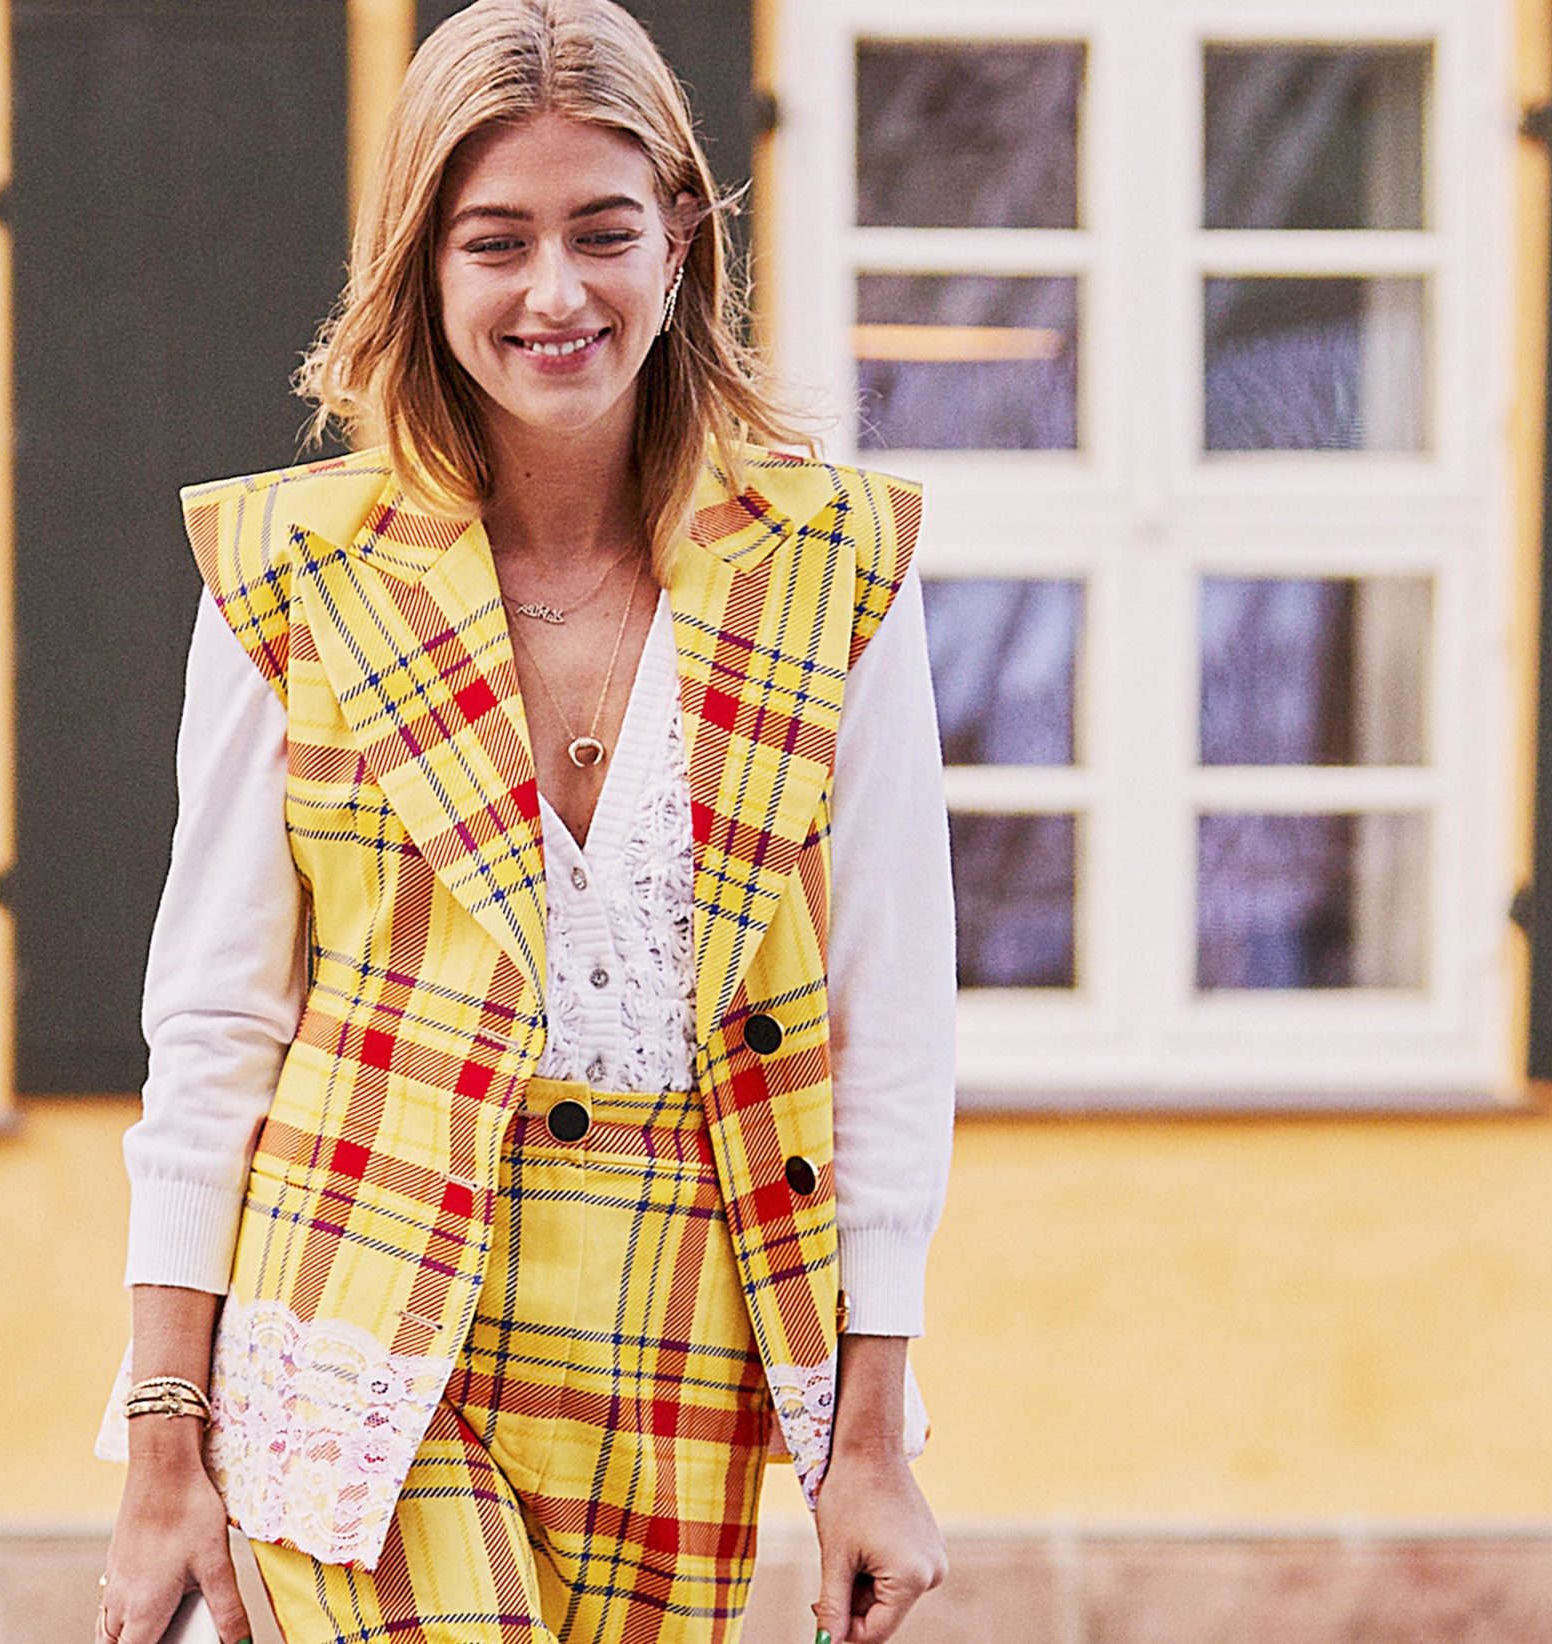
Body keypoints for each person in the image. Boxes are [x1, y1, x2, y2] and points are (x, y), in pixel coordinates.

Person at [92, 3, 958, 1640]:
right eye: (496, 241)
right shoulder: (291, 573)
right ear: (424, 264)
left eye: (602, 232)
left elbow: (886, 1020)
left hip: (686, 1329)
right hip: (354, 1315)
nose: (553, 292)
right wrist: (160, 1445)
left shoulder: (839, 569)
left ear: (683, 241)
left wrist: (871, 1441)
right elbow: (213, 1023)